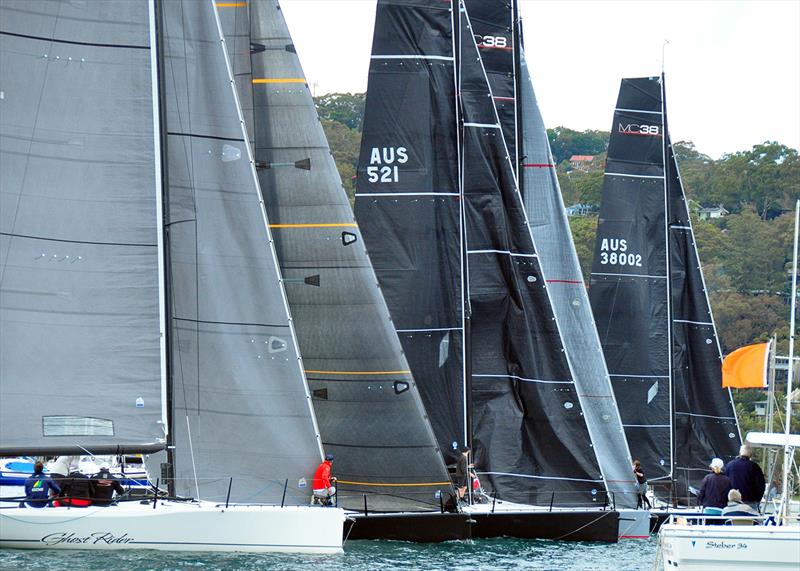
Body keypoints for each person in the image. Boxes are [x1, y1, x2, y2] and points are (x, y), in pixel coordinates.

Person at [723, 444, 765, 512]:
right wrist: (757, 499)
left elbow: (724, 483)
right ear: (750, 454)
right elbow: (760, 485)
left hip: (732, 502)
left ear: (740, 453)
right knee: (751, 521)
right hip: (750, 501)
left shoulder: (729, 465)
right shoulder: (754, 467)